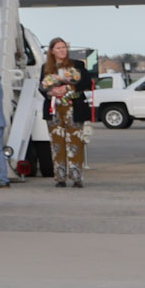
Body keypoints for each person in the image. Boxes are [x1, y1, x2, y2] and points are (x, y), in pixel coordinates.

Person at [40, 38, 92, 188]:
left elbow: (87, 82)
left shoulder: (77, 65)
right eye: (58, 48)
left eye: (64, 47)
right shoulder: (46, 67)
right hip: (54, 109)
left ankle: (76, 177)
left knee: (75, 142)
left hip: (73, 108)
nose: (62, 50)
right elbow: (41, 87)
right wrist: (51, 91)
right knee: (57, 144)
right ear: (52, 51)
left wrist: (69, 88)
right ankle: (60, 178)